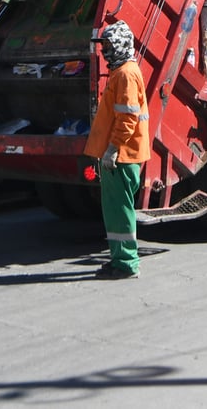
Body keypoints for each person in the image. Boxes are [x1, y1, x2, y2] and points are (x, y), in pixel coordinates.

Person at [84, 20, 150, 280]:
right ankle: (119, 259)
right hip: (119, 155)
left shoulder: (126, 74)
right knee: (114, 210)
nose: (105, 50)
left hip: (122, 156)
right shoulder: (121, 72)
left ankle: (126, 264)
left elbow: (127, 118)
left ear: (121, 45)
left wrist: (112, 149)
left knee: (120, 210)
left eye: (109, 45)